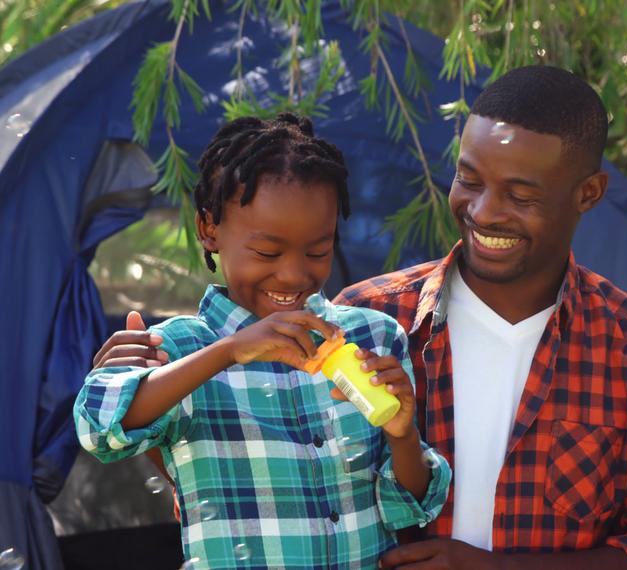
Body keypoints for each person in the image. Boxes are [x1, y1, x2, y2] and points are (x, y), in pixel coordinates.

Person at [93, 66, 627, 569]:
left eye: (521, 196)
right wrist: (159, 393)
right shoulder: (365, 317)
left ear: (588, 195)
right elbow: (232, 467)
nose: (484, 212)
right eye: (468, 180)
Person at [74, 113, 451, 569]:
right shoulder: (179, 350)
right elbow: (98, 427)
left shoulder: (373, 336)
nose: (293, 274)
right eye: (267, 252)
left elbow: (407, 505)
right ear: (209, 229)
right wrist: (230, 351)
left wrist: (402, 434)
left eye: (318, 250)